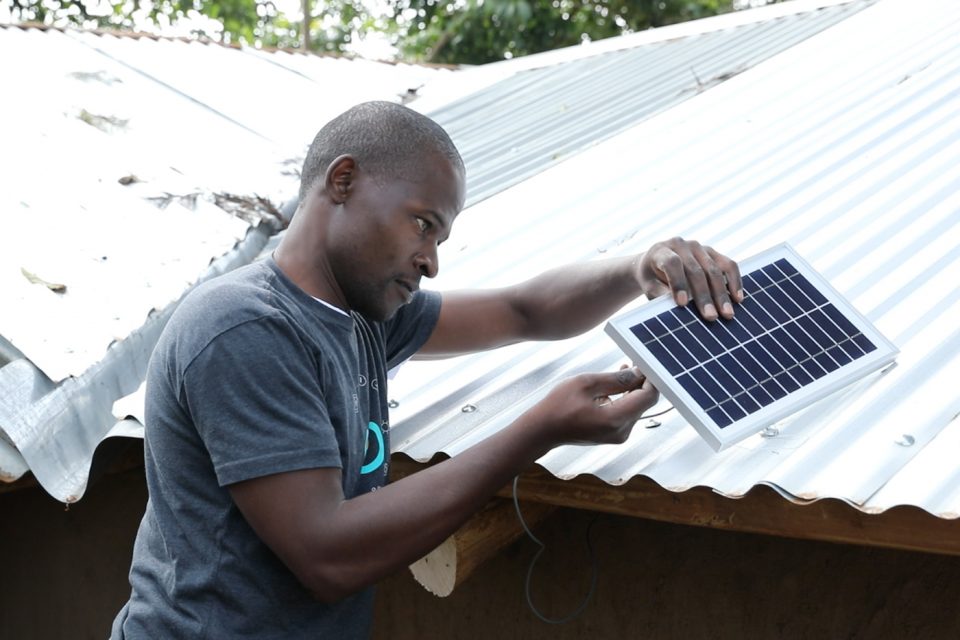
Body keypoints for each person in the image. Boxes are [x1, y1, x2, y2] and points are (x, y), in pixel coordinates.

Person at [111, 101, 742, 639]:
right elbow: (325, 554)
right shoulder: (244, 328)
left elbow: (523, 310)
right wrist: (537, 430)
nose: (431, 260)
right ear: (344, 180)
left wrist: (638, 269)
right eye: (423, 223)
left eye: (440, 238)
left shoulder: (361, 317)